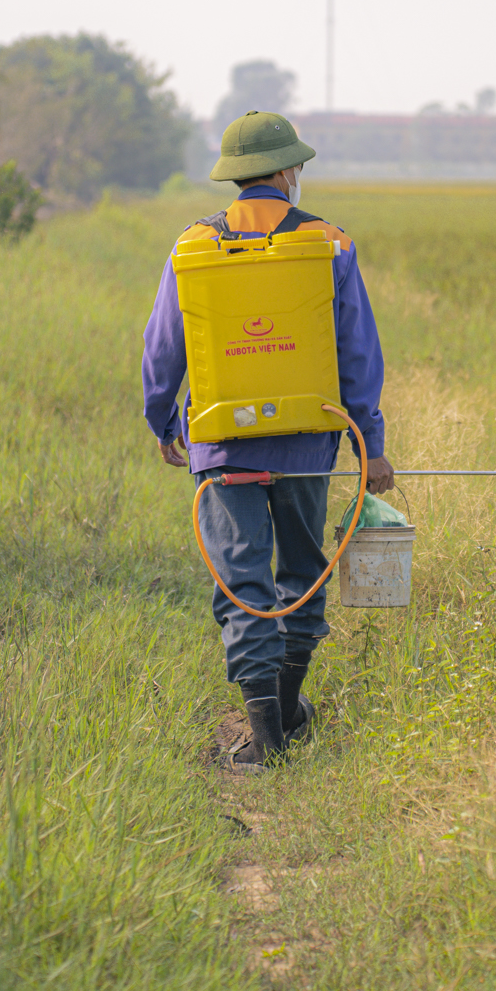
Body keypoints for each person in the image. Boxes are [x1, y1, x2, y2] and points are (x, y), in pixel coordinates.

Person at [141, 111, 395, 771]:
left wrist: (164, 418)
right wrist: (370, 441)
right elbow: (357, 353)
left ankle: (270, 736)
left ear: (235, 176)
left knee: (244, 585)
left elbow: (164, 346)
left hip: (227, 447)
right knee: (303, 576)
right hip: (310, 444)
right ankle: (282, 718)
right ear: (287, 172)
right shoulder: (331, 244)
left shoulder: (193, 246)